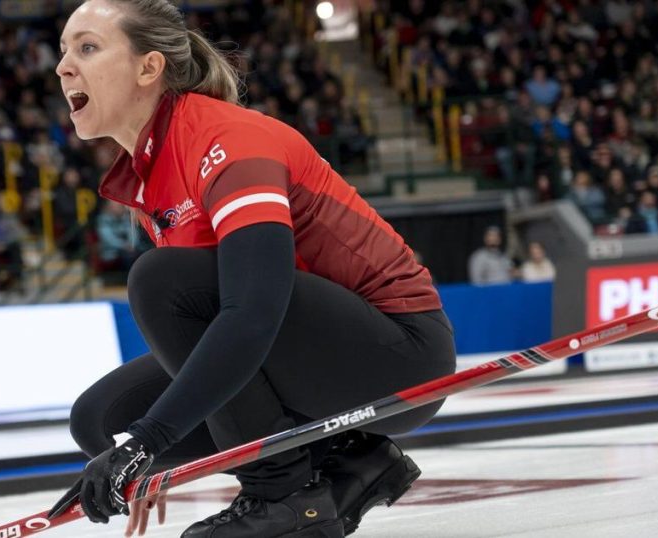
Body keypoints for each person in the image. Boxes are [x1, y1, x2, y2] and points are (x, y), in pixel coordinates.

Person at [48, 1, 456, 537]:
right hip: (316, 347)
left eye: (87, 47)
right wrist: (136, 451)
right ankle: (354, 462)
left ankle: (283, 495)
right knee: (100, 420)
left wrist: (150, 442)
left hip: (402, 355)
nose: (62, 67)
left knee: (160, 281)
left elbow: (254, 309)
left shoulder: (225, 141)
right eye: (63, 51)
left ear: (149, 68)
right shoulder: (152, 171)